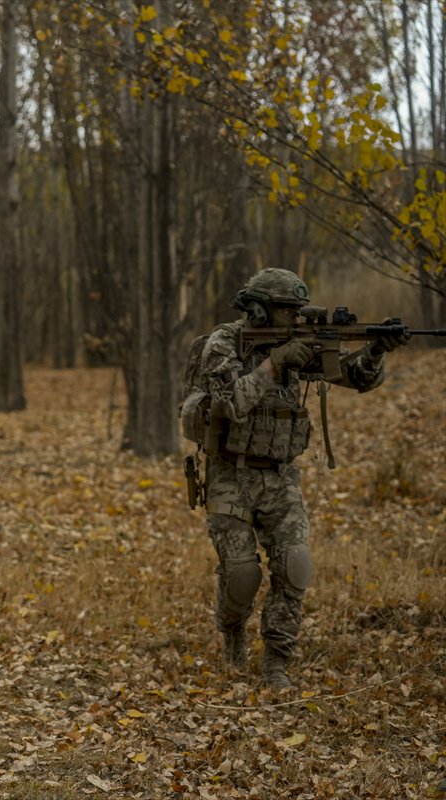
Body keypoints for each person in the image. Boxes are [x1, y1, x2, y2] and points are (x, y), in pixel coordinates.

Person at [198, 268, 410, 688]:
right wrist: (274, 366)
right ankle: (233, 633)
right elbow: (227, 404)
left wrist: (375, 351)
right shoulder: (223, 343)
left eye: (300, 311)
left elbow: (354, 378)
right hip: (230, 474)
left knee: (295, 564)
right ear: (258, 309)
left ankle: (276, 661)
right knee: (241, 575)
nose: (297, 319)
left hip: (280, 476)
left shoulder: (298, 342)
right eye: (287, 311)